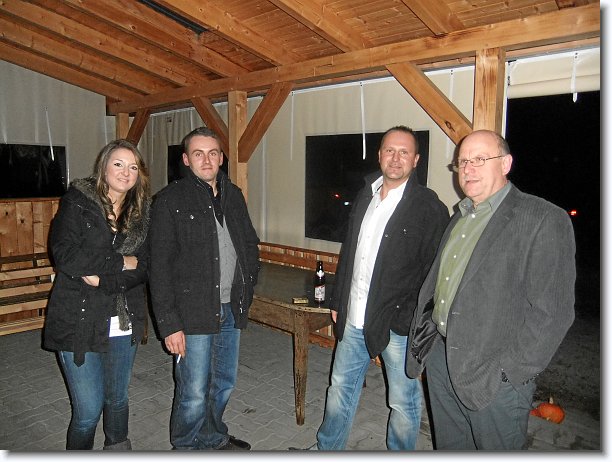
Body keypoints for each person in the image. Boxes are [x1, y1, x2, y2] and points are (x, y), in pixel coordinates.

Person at [405, 129, 576, 450]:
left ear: (506, 164)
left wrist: (507, 373)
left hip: (492, 375)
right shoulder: (459, 218)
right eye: (462, 162)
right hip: (442, 358)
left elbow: (554, 314)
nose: (468, 169)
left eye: (480, 159)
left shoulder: (542, 219)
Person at [312, 126, 449, 450]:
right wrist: (338, 300)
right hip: (355, 317)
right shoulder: (366, 196)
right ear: (379, 155)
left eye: (404, 152)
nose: (396, 158)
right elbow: (350, 252)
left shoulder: (429, 208)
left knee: (402, 401)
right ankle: (327, 449)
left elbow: (436, 273)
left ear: (416, 160)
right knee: (340, 388)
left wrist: (409, 318)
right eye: (390, 150)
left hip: (397, 325)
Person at [149, 126, 260, 451]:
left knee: (223, 382)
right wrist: (170, 324)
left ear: (221, 157)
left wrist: (248, 283)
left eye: (213, 153)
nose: (207, 160)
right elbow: (159, 267)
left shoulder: (233, 195)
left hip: (230, 307)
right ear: (186, 159)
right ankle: (185, 447)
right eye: (198, 154)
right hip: (192, 312)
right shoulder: (169, 201)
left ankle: (212, 437)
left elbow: (249, 244)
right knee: (194, 389)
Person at [43, 139, 151, 450]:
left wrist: (103, 279)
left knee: (117, 399)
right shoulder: (77, 202)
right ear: (103, 167)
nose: (125, 172)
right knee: (88, 412)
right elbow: (66, 256)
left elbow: (146, 266)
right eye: (118, 164)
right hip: (79, 318)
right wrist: (121, 262)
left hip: (123, 318)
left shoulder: (143, 214)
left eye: (133, 167)